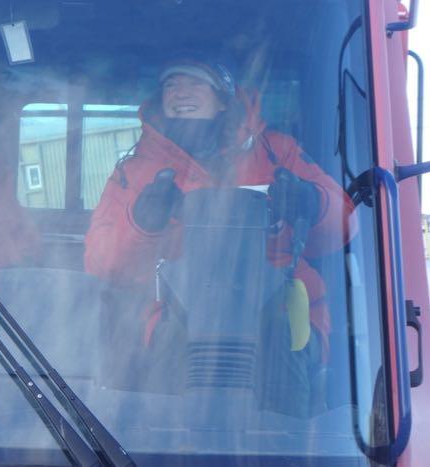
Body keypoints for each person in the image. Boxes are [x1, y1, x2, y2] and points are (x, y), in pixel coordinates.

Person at [84, 59, 358, 416]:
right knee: (167, 405)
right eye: (171, 85)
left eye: (195, 83)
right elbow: (102, 262)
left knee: (284, 362)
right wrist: (142, 224)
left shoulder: (278, 151)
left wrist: (311, 202)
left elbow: (345, 226)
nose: (180, 92)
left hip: (278, 307)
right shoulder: (136, 169)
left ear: (224, 98)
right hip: (176, 311)